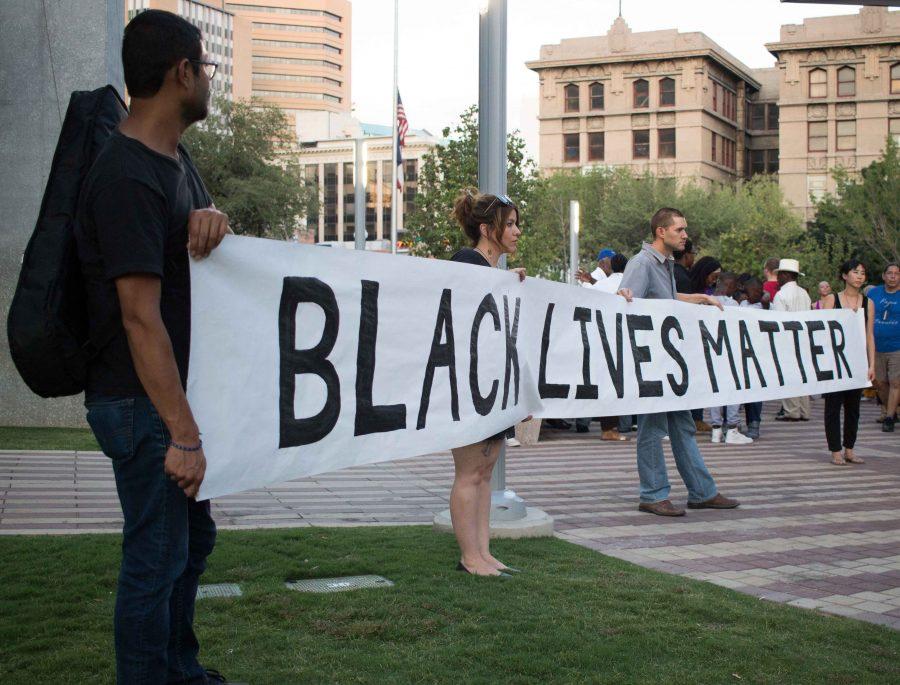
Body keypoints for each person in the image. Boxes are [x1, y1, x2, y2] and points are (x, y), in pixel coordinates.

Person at [74, 11, 238, 684]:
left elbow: (187, 259)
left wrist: (214, 216)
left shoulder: (174, 163)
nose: (209, 81)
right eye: (207, 68)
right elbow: (140, 316)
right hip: (143, 406)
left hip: (162, 405)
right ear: (182, 73)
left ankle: (179, 668)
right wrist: (184, 434)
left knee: (189, 543)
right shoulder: (127, 173)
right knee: (155, 558)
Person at [617, 208, 739, 517]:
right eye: (680, 229)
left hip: (667, 363)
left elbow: (666, 299)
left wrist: (700, 297)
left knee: (682, 425)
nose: (685, 234)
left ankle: (701, 492)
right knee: (651, 427)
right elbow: (626, 302)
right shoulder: (642, 263)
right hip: (652, 363)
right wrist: (623, 294)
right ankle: (653, 493)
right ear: (661, 231)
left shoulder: (665, 264)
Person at [449, 189, 526, 576]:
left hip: (492, 384)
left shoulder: (496, 273)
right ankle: (469, 556)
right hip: (469, 385)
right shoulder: (467, 261)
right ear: (486, 228)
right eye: (508, 224)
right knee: (470, 472)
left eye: (515, 224)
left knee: (485, 472)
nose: (516, 231)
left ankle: (482, 553)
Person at [823, 260, 875, 464]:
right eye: (855, 272)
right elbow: (823, 331)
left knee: (853, 408)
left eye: (863, 273)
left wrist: (871, 364)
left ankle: (849, 449)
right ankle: (835, 450)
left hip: (857, 361)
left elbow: (869, 335)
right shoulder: (831, 299)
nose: (860, 276)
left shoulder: (868, 303)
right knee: (833, 407)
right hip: (835, 361)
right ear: (845, 275)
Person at [575, 254, 629, 440]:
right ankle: (612, 429)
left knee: (606, 383)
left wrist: (589, 281)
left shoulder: (602, 284)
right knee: (620, 385)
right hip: (623, 341)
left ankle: (609, 428)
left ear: (612, 267)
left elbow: (591, 293)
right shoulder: (630, 284)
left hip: (601, 339)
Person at [708, 273, 754, 445]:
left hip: (712, 352)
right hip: (730, 352)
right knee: (734, 388)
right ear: (728, 285)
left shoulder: (706, 301)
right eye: (734, 285)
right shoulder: (733, 304)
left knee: (715, 390)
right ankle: (732, 428)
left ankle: (716, 430)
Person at [772, 259, 812, 422]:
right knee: (803, 374)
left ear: (786, 275)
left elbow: (779, 322)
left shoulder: (781, 295)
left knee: (789, 375)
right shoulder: (804, 293)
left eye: (780, 275)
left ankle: (792, 410)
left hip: (788, 340)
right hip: (804, 338)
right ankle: (804, 410)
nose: (778, 278)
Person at [868, 262, 900, 432]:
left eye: (896, 273)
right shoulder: (874, 293)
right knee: (878, 382)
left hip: (897, 346)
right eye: (890, 273)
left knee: (896, 382)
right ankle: (892, 410)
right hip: (876, 345)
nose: (893, 276)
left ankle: (889, 417)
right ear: (883, 276)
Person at [740, 277, 766, 439]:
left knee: (757, 392)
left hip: (759, 355)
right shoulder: (742, 306)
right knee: (746, 391)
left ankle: (755, 423)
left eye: (758, 291)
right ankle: (748, 421)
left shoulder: (765, 307)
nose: (755, 294)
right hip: (744, 353)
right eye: (752, 291)